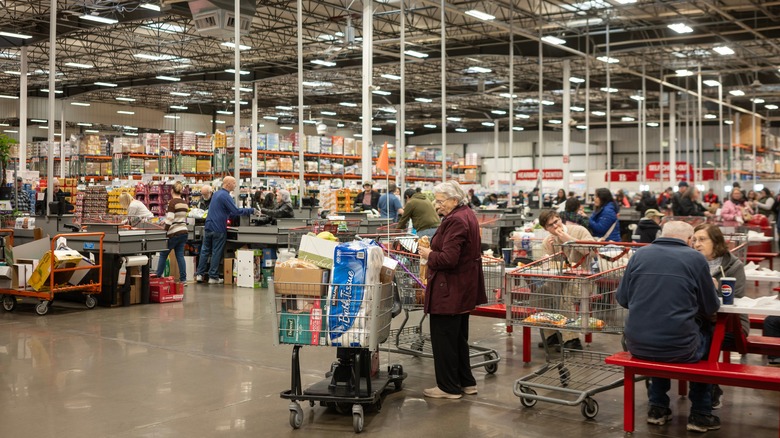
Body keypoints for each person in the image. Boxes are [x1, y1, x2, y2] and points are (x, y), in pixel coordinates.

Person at [617, 221, 721, 432]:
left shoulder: (639, 255)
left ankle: (657, 407)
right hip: (680, 347)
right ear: (689, 240)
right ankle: (701, 412)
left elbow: (622, 299)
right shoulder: (695, 259)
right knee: (706, 335)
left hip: (636, 345)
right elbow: (710, 307)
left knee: (660, 332)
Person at [418, 180, 486, 399]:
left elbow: (449, 258)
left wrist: (429, 254)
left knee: (444, 338)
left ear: (454, 200)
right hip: (462, 288)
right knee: (457, 338)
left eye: (440, 201)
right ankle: (467, 382)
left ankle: (448, 387)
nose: (437, 206)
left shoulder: (456, 220)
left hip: (449, 290)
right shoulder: (467, 215)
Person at [691, 223, 749, 410]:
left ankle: (705, 396)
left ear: (716, 243)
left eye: (702, 239)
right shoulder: (690, 263)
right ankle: (704, 394)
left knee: (703, 337)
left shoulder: (734, 266)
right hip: (698, 321)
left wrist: (715, 292)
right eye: (694, 240)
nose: (697, 244)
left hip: (731, 324)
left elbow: (737, 300)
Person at [537, 209, 594, 350]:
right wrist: (551, 252)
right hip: (559, 281)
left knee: (564, 295)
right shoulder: (548, 241)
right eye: (551, 225)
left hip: (583, 280)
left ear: (560, 219)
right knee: (542, 293)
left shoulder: (579, 231)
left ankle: (572, 338)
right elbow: (549, 266)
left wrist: (569, 240)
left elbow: (592, 251)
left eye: (556, 221)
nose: (555, 226)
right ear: (546, 229)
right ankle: (552, 334)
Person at [195, 177, 255, 284]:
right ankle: (213, 277)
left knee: (205, 251)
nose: (235, 185)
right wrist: (251, 210)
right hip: (218, 228)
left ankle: (200, 274)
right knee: (216, 252)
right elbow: (236, 211)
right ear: (227, 184)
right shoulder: (226, 196)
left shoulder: (217, 194)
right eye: (234, 183)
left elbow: (226, 211)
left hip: (208, 226)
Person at [154, 182, 189, 284]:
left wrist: (165, 231)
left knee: (163, 254)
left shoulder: (172, 203)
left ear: (171, 191)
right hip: (183, 231)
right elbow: (179, 217)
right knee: (180, 256)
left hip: (173, 233)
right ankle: (183, 279)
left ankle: (158, 276)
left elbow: (170, 219)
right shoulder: (184, 203)